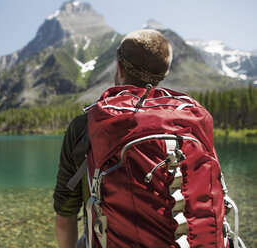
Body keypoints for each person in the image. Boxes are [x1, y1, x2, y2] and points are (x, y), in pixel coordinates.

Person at [53, 29, 173, 248]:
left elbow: (64, 216)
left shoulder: (87, 124)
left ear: (119, 68)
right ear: (162, 76)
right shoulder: (183, 120)